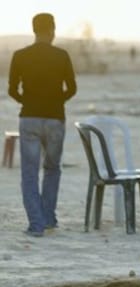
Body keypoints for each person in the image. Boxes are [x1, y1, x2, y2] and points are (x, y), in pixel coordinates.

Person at [7, 13, 77, 238]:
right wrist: (58, 100)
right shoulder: (62, 55)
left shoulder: (20, 55)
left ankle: (36, 225)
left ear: (34, 29)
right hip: (55, 118)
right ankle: (48, 218)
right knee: (52, 169)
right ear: (52, 30)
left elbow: (12, 89)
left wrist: (26, 101)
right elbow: (72, 88)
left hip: (29, 118)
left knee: (29, 173)